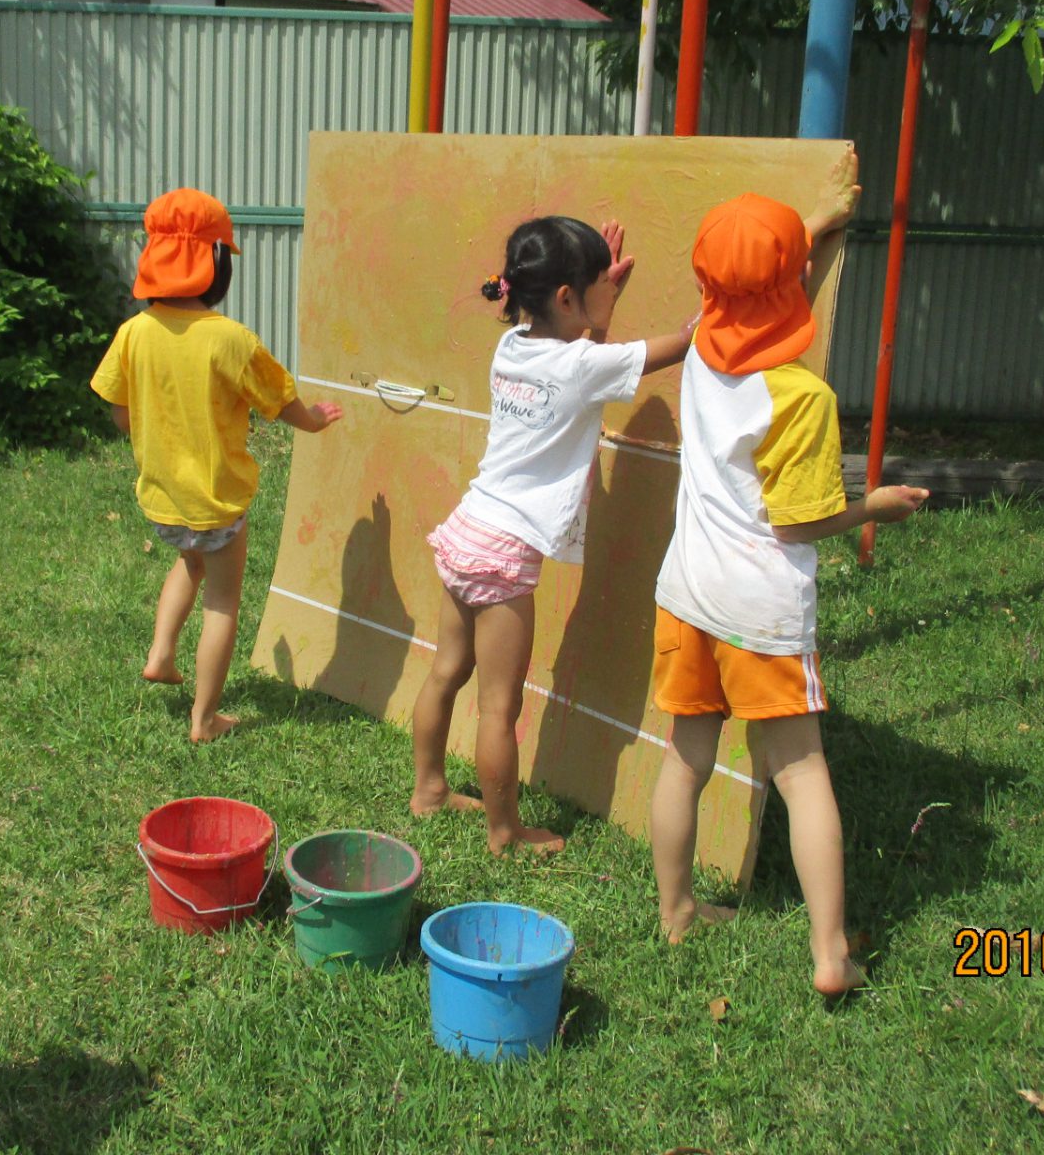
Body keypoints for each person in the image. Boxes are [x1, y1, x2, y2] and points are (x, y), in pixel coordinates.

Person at [646, 189, 928, 995]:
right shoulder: (802, 398)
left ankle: (675, 912)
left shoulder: (700, 343)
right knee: (802, 773)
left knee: (686, 758)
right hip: (760, 611)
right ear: (792, 283)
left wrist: (808, 230)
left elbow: (741, 283)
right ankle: (831, 955)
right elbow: (799, 523)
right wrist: (873, 506)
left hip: (687, 592)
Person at [412, 215, 697, 854]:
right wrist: (725, 307)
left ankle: (428, 789)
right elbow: (679, 344)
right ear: (567, 297)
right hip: (506, 555)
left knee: (445, 673)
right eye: (597, 286)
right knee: (498, 708)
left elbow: (580, 365)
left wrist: (600, 303)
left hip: (467, 529)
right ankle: (505, 831)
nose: (606, 292)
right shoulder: (583, 365)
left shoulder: (511, 346)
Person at [92, 187, 342, 742]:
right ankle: (205, 719)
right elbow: (280, 402)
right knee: (223, 602)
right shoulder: (231, 340)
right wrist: (315, 420)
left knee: (189, 560)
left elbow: (121, 415)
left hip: (163, 497)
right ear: (215, 263)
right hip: (217, 500)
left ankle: (161, 653)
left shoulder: (133, 332)